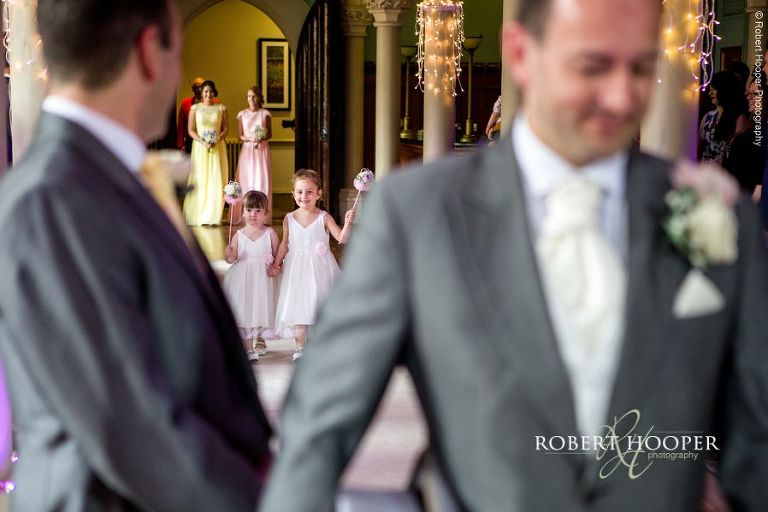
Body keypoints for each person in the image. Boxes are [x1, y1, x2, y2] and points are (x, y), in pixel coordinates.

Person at [259, 0, 768, 510]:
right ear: (522, 54)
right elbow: (315, 436)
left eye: (639, 67)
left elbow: (756, 434)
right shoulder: (416, 213)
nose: (620, 96)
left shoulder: (712, 215)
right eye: (592, 65)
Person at [0, 1, 272, 511]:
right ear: (150, 52)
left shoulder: (112, 176)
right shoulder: (53, 197)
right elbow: (131, 426)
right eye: (179, 50)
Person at [270, 169, 354, 361]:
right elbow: (285, 243)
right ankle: (300, 346)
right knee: (298, 304)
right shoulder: (289, 218)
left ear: (319, 194)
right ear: (293, 194)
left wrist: (348, 222)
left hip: (320, 267)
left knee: (319, 303)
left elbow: (341, 238)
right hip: (296, 267)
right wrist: (277, 262)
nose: (304, 196)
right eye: (299, 192)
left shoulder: (324, 217)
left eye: (309, 192)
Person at [222, 190, 279, 362]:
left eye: (258, 210)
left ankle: (260, 338)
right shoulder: (239, 235)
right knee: (246, 309)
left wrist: (276, 268)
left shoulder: (270, 234)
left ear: (265, 214)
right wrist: (228, 254)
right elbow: (232, 259)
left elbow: (277, 257)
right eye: (249, 210)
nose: (253, 214)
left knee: (262, 307)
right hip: (243, 278)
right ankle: (248, 347)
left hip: (263, 278)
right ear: (243, 212)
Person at [183, 79, 229, 226]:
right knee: (201, 179)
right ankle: (199, 214)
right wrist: (203, 142)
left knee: (216, 179)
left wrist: (217, 139)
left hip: (217, 147)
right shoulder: (195, 109)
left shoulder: (221, 108)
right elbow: (190, 130)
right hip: (200, 148)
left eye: (210, 91)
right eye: (205, 92)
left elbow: (225, 128)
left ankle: (213, 216)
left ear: (214, 92)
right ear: (201, 94)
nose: (208, 94)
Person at [233, 86, 272, 224]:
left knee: (262, 180)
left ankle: (263, 214)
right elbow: (240, 135)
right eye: (249, 96)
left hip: (261, 150)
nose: (251, 99)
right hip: (248, 150)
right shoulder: (242, 114)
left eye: (254, 96)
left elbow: (270, 134)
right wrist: (251, 139)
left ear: (259, 98)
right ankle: (244, 214)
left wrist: (261, 137)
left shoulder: (265, 114)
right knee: (246, 180)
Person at [722, 73, 766, 196]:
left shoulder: (763, 129)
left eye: (755, 94)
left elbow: (759, 179)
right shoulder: (752, 124)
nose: (749, 97)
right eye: (748, 93)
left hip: (745, 200)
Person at [699, 70, 748, 164]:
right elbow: (698, 150)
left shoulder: (738, 119)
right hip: (703, 173)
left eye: (714, 89)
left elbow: (738, 155)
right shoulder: (707, 117)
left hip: (723, 175)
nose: (710, 93)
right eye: (710, 89)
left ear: (725, 90)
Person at [177, 76, 204, 153]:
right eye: (196, 87)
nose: (199, 89)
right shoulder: (185, 103)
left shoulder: (212, 103)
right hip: (190, 141)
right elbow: (180, 126)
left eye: (201, 87)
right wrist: (180, 144)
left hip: (205, 140)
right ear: (193, 89)